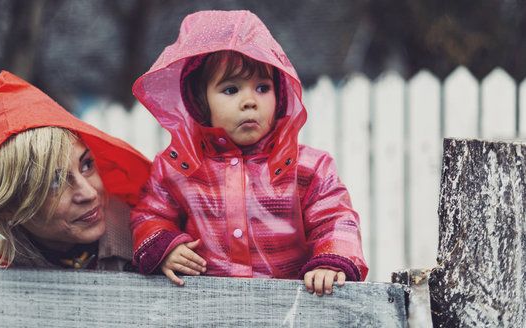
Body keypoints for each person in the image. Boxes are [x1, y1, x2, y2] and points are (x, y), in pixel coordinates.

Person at [131, 10, 368, 295]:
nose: (249, 101)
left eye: (262, 87)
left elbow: (335, 219)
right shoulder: (178, 167)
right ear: (199, 101)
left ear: (279, 94)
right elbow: (150, 213)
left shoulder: (308, 167)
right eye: (231, 89)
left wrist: (331, 261)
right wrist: (166, 246)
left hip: (292, 308)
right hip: (204, 307)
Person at [0, 71, 151, 270]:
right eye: (55, 181)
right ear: (7, 208)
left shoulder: (155, 246)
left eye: (86, 165)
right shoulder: (0, 282)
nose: (89, 193)